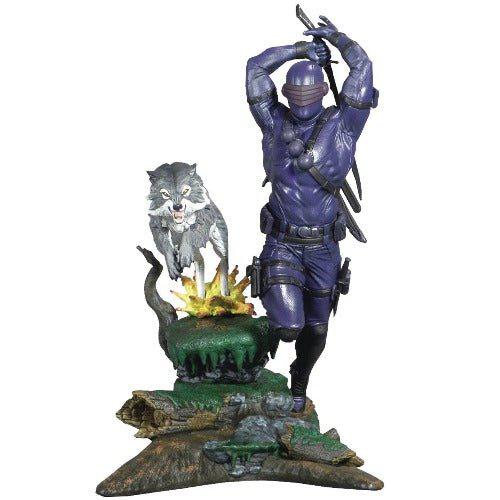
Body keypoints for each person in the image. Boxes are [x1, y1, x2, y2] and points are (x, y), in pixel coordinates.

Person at [246, 16, 378, 412]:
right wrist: (300, 49)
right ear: (286, 93)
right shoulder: (273, 122)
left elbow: (363, 67)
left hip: (324, 248)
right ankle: (251, 356)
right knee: (289, 326)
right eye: (295, 93)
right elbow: (255, 68)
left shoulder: (344, 125)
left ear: (322, 91)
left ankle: (299, 378)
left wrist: (337, 38)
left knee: (317, 332)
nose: (302, 99)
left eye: (308, 92)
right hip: (282, 242)